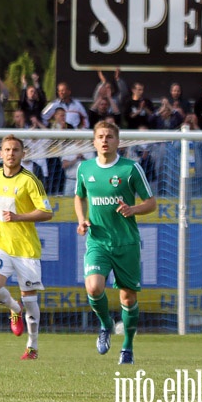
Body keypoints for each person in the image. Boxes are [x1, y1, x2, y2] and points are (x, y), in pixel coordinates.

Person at [74, 121, 157, 365]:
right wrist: (82, 220)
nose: (104, 140)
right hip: (98, 241)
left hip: (127, 243)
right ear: (94, 141)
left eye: (109, 136)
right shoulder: (84, 168)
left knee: (128, 298)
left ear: (118, 141)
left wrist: (134, 209)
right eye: (100, 136)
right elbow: (79, 196)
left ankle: (127, 348)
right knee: (93, 288)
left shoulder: (130, 169)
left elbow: (151, 203)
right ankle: (105, 324)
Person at [0, 135, 54, 360]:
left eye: (15, 150)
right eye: (7, 149)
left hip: (26, 249)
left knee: (31, 300)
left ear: (23, 154)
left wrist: (18, 217)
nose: (11, 153)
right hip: (0, 244)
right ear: (1, 153)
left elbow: (47, 212)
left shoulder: (30, 180)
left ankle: (32, 347)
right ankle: (15, 309)